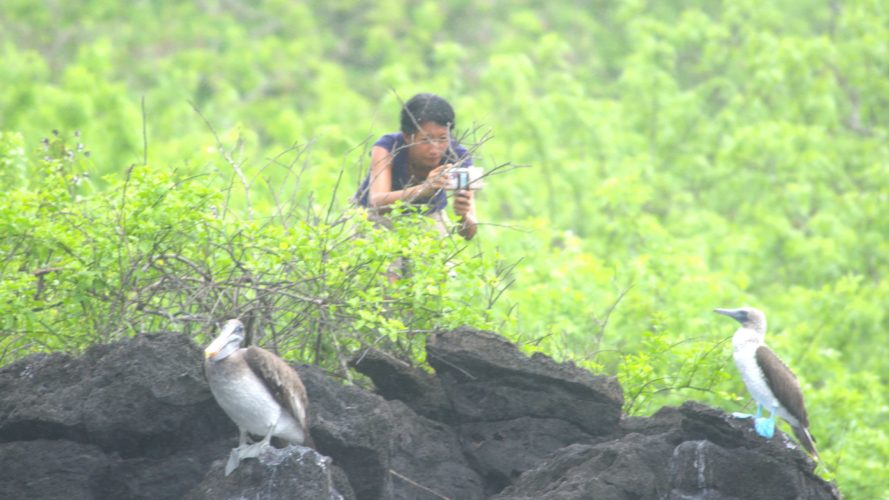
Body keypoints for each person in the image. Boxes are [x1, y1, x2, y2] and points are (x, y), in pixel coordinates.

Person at [354, 93, 478, 240]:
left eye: (443, 138)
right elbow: (376, 202)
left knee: (435, 257)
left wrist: (463, 215)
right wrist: (423, 189)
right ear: (407, 137)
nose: (435, 149)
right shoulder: (388, 147)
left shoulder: (457, 156)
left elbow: (469, 233)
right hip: (378, 216)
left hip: (428, 215)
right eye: (426, 140)